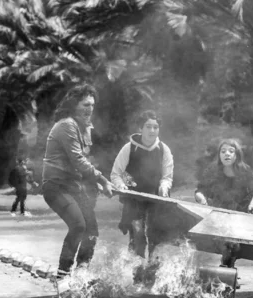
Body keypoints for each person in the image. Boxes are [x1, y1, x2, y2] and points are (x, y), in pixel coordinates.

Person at [42, 84, 114, 280]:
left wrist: (96, 182)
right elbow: (78, 160)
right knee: (78, 226)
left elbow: (83, 164)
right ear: (73, 105)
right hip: (56, 187)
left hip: (74, 187)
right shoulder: (67, 125)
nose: (90, 109)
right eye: (85, 104)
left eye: (92, 105)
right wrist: (102, 179)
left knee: (92, 231)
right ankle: (63, 275)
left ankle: (82, 274)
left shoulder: (83, 128)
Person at [110, 110, 174, 259]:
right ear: (140, 128)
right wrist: (122, 187)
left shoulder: (164, 150)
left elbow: (167, 177)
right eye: (148, 126)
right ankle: (136, 274)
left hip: (157, 200)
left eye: (155, 127)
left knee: (156, 239)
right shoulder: (129, 148)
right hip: (134, 200)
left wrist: (164, 188)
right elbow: (116, 174)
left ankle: (152, 274)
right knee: (137, 237)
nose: (152, 130)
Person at [195, 138, 253, 272]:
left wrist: (252, 205)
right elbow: (199, 191)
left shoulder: (245, 170)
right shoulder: (212, 170)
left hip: (239, 214)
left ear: (237, 155)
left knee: (232, 245)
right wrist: (202, 200)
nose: (227, 154)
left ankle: (227, 270)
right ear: (219, 155)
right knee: (226, 244)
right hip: (216, 214)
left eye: (231, 151)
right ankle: (226, 271)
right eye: (223, 151)